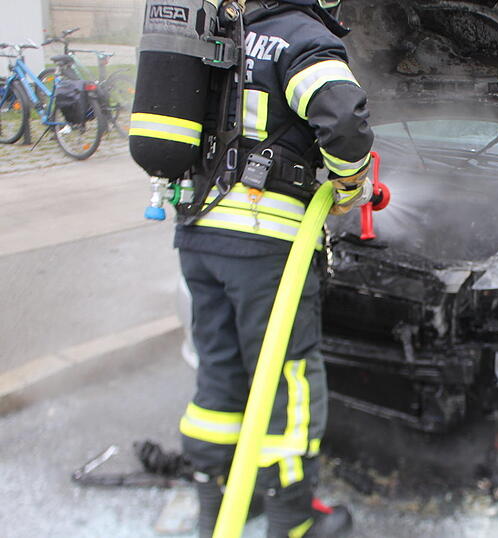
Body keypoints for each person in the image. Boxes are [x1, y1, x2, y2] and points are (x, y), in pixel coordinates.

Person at [175, 0, 372, 535]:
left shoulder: (224, 31)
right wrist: (350, 186)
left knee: (219, 371)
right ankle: (293, 519)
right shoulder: (301, 35)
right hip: (266, 244)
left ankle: (217, 505)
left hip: (199, 231)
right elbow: (345, 118)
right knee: (290, 379)